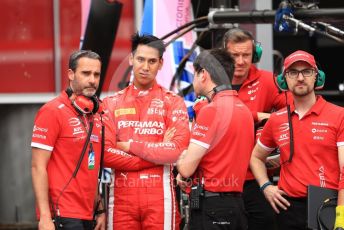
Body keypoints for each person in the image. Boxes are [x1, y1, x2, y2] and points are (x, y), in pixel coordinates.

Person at [31, 50, 155, 230]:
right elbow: (37, 167)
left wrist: (100, 209)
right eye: (86, 73)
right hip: (62, 214)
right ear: (70, 74)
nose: (92, 80)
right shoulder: (51, 111)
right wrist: (44, 217)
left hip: (89, 214)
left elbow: (91, 165)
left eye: (96, 74)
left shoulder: (95, 114)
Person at [102, 32, 190, 229]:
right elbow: (105, 154)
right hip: (121, 199)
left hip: (161, 198)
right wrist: (157, 154)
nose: (145, 67)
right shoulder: (111, 103)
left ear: (160, 64)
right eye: (140, 59)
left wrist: (129, 145)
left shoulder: (173, 102)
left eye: (152, 61)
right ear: (131, 59)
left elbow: (176, 150)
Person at [250, 50, 344, 229]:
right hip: (288, 210)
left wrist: (341, 215)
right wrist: (266, 186)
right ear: (284, 79)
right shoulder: (276, 119)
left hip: (328, 205)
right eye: (293, 72)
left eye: (306, 71)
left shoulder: (339, 116)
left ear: (317, 76)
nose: (300, 78)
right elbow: (256, 157)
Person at [176, 48, 254, 230]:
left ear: (203, 74)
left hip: (212, 207)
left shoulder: (211, 110)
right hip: (236, 206)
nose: (193, 80)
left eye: (194, 74)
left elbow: (186, 168)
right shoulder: (244, 110)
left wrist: (178, 151)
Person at [223, 27, 290, 230]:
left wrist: (271, 123)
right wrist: (254, 116)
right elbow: (209, 117)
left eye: (246, 55)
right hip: (221, 181)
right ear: (224, 55)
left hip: (258, 181)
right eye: (235, 55)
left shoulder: (267, 81)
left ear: (255, 55)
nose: (241, 61)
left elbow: (294, 112)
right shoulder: (212, 79)